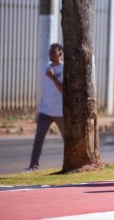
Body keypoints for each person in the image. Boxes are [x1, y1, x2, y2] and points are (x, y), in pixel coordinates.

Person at [26, 43, 65, 172]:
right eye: (50, 51)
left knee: (67, 139)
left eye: (53, 52)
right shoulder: (45, 69)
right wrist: (39, 108)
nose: (51, 54)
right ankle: (33, 166)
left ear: (60, 53)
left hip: (60, 112)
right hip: (45, 110)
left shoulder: (65, 69)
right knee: (38, 139)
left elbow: (63, 90)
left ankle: (68, 165)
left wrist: (53, 77)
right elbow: (42, 89)